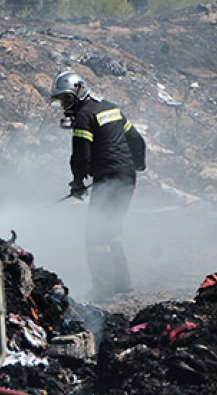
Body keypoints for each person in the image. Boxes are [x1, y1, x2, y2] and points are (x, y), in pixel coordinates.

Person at [50, 70, 146, 302]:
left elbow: (81, 155)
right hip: (126, 177)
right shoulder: (111, 108)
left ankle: (103, 290)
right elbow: (136, 140)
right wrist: (138, 164)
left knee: (96, 235)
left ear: (79, 92)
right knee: (113, 229)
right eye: (61, 101)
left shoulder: (84, 117)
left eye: (67, 99)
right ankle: (122, 284)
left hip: (108, 178)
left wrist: (77, 182)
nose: (65, 105)